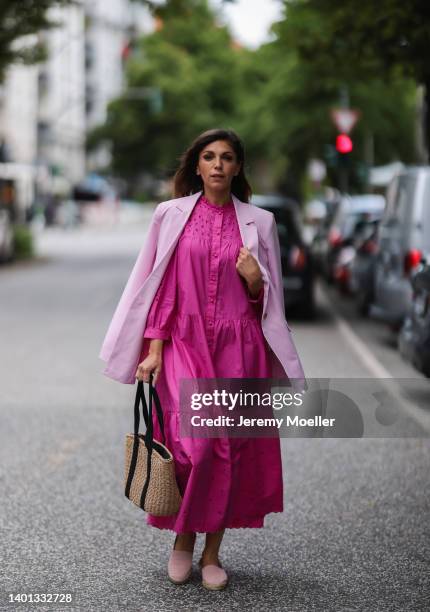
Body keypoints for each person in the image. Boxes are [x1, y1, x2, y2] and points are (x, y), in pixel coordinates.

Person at [100, 128, 306, 591]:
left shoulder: (261, 222)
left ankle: (212, 553)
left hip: (240, 348)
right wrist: (152, 350)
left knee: (227, 448)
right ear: (197, 165)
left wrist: (256, 280)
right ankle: (181, 543)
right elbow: (161, 287)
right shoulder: (169, 215)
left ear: (237, 167)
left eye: (227, 157)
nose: (217, 164)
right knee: (194, 446)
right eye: (209, 157)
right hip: (183, 344)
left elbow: (268, 306)